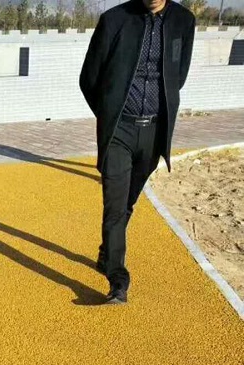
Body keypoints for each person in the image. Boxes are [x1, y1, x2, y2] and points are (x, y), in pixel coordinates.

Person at [79, 0, 196, 304]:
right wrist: (109, 114)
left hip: (154, 132)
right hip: (120, 130)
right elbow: (89, 78)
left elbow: (179, 75)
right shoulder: (114, 20)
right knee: (115, 207)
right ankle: (118, 280)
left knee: (128, 201)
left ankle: (107, 253)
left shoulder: (184, 21)